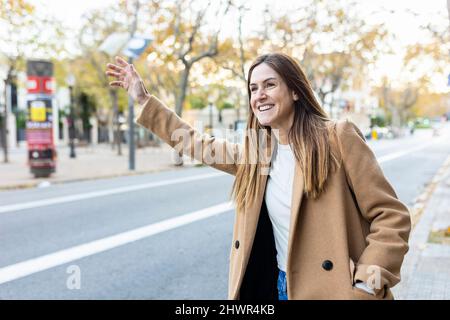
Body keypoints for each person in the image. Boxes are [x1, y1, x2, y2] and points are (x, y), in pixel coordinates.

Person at [105, 53, 411, 300]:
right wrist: (144, 100)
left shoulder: (337, 138)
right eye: (253, 89)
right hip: (279, 286)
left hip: (335, 292)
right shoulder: (257, 153)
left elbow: (391, 217)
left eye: (269, 85)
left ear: (294, 90)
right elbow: (198, 144)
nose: (259, 96)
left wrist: (366, 284)